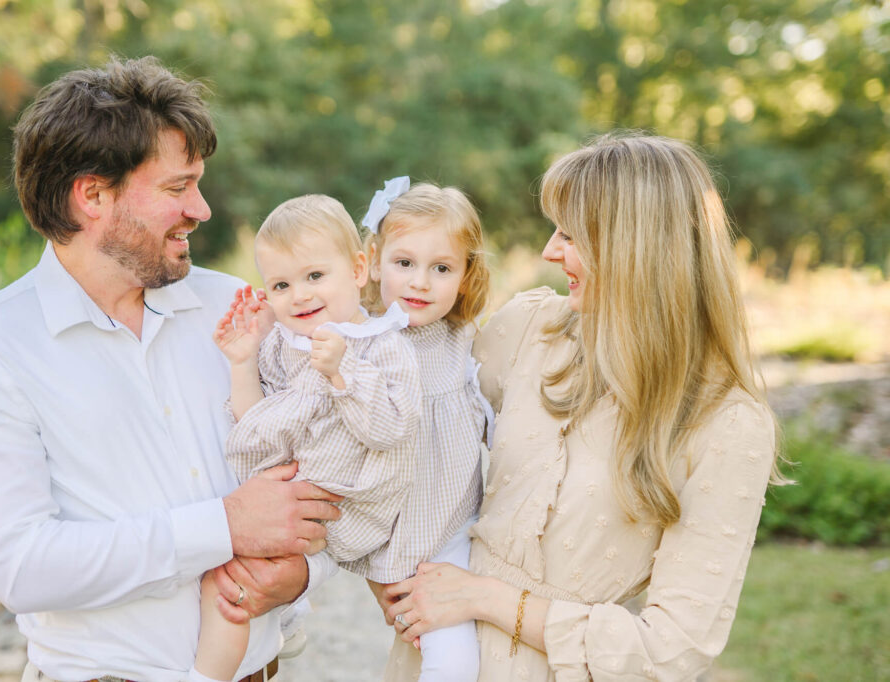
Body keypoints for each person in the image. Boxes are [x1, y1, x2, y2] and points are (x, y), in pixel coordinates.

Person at [0, 56, 342, 682]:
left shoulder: (237, 307)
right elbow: (22, 567)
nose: (201, 210)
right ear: (93, 195)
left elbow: (328, 467)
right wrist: (224, 527)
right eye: (178, 188)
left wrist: (304, 573)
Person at [379, 133, 785, 681]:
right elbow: (404, 419)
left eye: (569, 234)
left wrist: (485, 599)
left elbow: (674, 651)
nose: (549, 251)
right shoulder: (529, 329)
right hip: (433, 658)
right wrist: (386, 577)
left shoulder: (728, 423)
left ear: (633, 247)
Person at [193, 194, 422, 681]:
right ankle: (225, 663)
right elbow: (257, 431)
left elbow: (393, 430)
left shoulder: (385, 345)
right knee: (226, 582)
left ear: (360, 270)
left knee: (231, 581)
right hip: (286, 498)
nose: (299, 295)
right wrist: (242, 363)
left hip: (346, 503)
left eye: (315, 276)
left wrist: (343, 373)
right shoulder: (279, 346)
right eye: (281, 284)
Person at [359, 178, 492, 682]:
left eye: (441, 268)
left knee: (452, 659)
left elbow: (498, 424)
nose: (420, 282)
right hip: (386, 535)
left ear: (464, 275)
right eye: (404, 263)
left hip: (453, 531)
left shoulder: (465, 342)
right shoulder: (360, 340)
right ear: (373, 261)